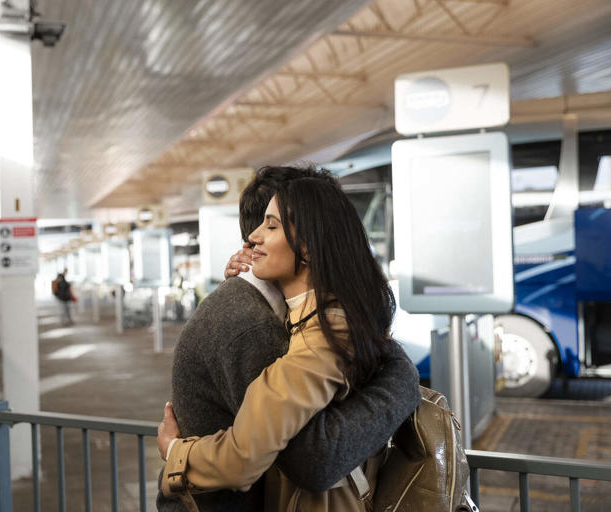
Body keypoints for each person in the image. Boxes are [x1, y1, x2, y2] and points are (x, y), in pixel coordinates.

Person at [157, 166, 420, 511]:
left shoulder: (316, 327)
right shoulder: (252, 322)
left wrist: (175, 454)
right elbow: (307, 458)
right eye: (261, 224)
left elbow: (310, 459)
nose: (254, 237)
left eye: (271, 225)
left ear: (309, 244)